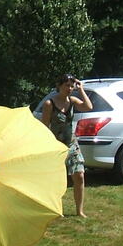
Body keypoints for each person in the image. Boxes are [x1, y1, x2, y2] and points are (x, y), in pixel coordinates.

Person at [39, 74, 93, 217]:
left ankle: (79, 211)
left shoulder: (73, 101)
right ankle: (56, 209)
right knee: (55, 180)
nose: (69, 88)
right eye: (66, 86)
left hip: (71, 144)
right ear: (59, 86)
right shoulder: (49, 104)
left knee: (79, 175)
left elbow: (88, 107)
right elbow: (44, 126)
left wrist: (81, 89)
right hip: (55, 146)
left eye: (71, 86)